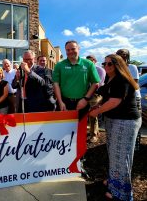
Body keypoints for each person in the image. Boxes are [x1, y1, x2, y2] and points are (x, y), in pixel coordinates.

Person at [89, 54, 141, 201]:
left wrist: (96, 112)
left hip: (125, 122)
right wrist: (97, 103)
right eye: (104, 63)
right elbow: (105, 96)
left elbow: (114, 101)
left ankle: (122, 194)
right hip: (114, 121)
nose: (106, 66)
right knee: (114, 155)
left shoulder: (122, 79)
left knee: (121, 157)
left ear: (118, 64)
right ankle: (114, 182)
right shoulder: (110, 78)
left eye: (110, 64)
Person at [53, 40, 100, 119]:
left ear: (78, 48)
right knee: (63, 128)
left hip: (82, 102)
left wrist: (85, 99)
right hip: (64, 102)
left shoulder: (88, 64)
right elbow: (56, 84)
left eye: (73, 49)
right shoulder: (59, 65)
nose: (70, 51)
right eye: (68, 50)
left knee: (80, 128)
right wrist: (60, 102)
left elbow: (95, 83)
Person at [86, 55, 106, 142]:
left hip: (96, 94)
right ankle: (94, 131)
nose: (89, 62)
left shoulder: (100, 70)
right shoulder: (85, 70)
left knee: (92, 114)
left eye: (91, 60)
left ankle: (93, 135)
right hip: (86, 94)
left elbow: (98, 84)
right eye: (88, 61)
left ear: (95, 61)